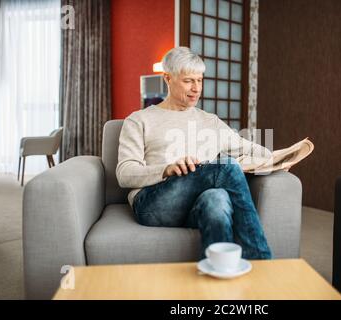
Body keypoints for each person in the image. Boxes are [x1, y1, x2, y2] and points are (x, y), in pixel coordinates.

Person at [116, 47, 272, 259]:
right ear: (168, 78)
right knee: (225, 166)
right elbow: (125, 173)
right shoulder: (139, 120)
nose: (196, 88)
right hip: (153, 204)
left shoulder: (211, 122)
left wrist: (278, 158)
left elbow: (250, 148)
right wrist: (167, 169)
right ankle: (261, 258)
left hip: (195, 206)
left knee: (217, 199)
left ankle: (218, 278)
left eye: (199, 80)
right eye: (189, 81)